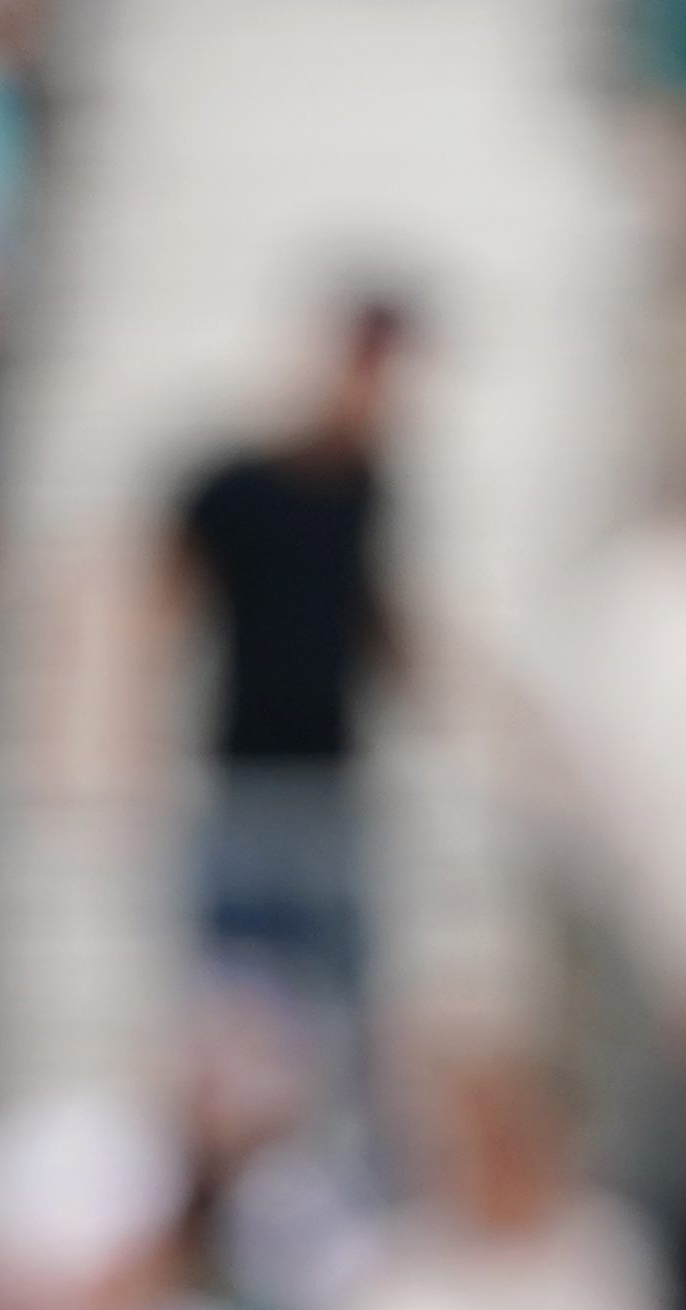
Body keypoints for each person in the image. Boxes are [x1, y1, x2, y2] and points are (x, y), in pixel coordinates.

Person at [168, 290, 412, 1058]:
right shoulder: (234, 488)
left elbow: (376, 615)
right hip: (246, 782)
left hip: (332, 784)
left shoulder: (369, 488)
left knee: (342, 1012)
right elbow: (153, 605)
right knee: (233, 1005)